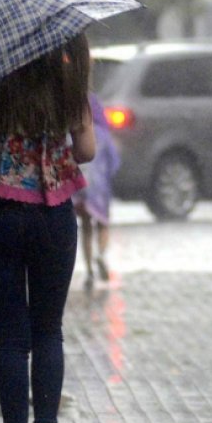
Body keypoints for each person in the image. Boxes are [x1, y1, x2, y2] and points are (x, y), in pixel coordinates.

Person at [0, 32, 95, 423]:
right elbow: (87, 151)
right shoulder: (67, 79)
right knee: (48, 331)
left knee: (12, 339)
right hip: (51, 216)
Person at [72, 93, 121, 291]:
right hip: (100, 191)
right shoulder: (105, 137)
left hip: (80, 188)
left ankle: (90, 270)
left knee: (85, 226)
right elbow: (114, 164)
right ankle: (101, 254)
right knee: (102, 224)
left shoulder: (76, 134)